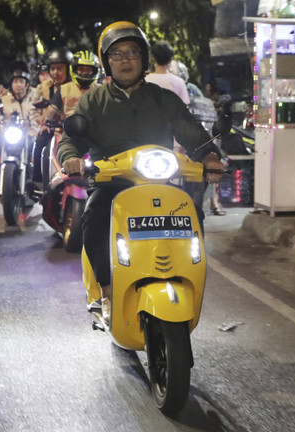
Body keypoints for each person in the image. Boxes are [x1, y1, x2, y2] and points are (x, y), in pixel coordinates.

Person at [57, 21, 224, 324]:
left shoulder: (164, 99)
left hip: (159, 181)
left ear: (143, 58)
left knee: (193, 215)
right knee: (93, 217)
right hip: (111, 182)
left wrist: (211, 156)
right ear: (107, 62)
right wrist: (71, 157)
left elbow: (195, 137)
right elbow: (71, 140)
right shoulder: (94, 101)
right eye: (116, 54)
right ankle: (107, 290)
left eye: (132, 52)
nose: (124, 59)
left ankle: (184, 278)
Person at [31, 47, 73, 186]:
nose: (55, 73)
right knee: (39, 145)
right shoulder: (42, 88)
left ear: (68, 69)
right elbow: (34, 110)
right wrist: (41, 124)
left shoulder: (76, 87)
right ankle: (38, 183)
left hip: (72, 130)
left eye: (60, 68)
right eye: (52, 69)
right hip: (49, 129)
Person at [43, 50, 101, 123]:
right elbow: (50, 111)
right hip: (69, 131)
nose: (85, 73)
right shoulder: (64, 89)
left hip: (96, 131)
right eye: (81, 69)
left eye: (88, 70)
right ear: (73, 69)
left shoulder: (101, 90)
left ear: (95, 71)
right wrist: (44, 124)